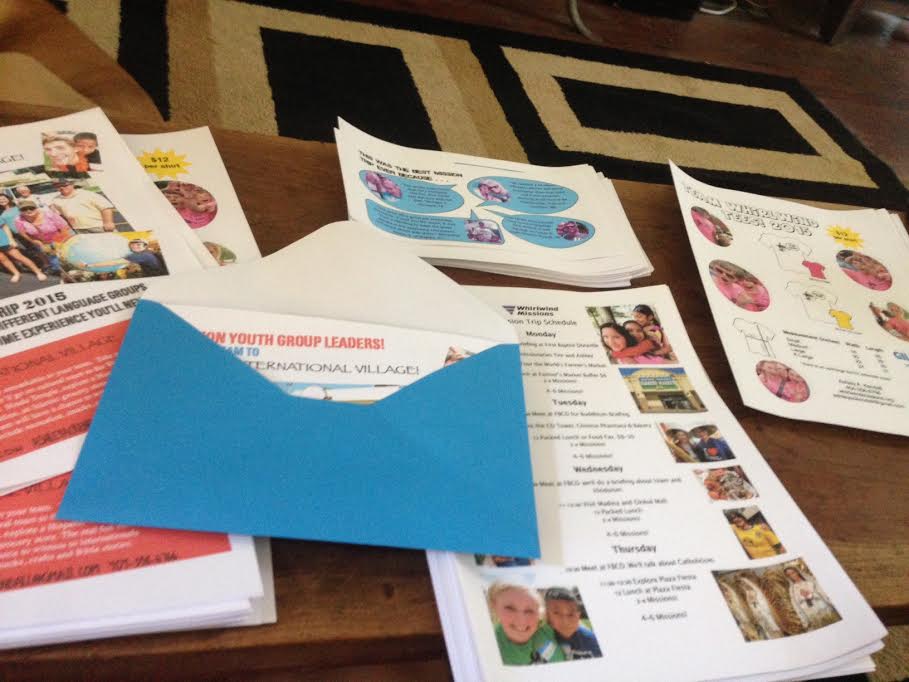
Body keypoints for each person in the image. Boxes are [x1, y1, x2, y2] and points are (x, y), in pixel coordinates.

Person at [487, 583, 565, 665]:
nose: (521, 620)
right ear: (495, 607)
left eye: (529, 611)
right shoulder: (489, 647)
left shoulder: (546, 630)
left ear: (540, 614)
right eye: (510, 608)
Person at [544, 588, 602, 660]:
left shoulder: (593, 642)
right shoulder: (541, 635)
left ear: (578, 615)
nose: (565, 621)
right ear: (547, 615)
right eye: (556, 613)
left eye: (571, 614)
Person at [77, 238, 166, 277]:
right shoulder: (148, 251)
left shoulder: (141, 255)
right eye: (132, 246)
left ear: (145, 245)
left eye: (138, 245)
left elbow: (114, 262)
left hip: (157, 276)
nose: (135, 247)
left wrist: (88, 265)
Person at [50, 180, 117, 233]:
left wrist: (108, 222)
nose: (61, 187)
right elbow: (60, 216)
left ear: (72, 185)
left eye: (64, 185)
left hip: (98, 227)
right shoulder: (56, 200)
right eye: (58, 186)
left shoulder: (87, 194)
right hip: (78, 230)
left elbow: (105, 208)